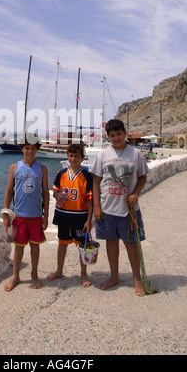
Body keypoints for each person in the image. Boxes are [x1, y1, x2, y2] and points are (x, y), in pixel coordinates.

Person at [92, 119, 149, 296]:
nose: (116, 138)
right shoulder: (103, 155)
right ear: (108, 137)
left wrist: (135, 194)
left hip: (128, 210)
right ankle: (114, 276)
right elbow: (96, 180)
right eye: (112, 135)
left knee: (131, 244)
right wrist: (96, 207)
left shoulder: (135, 154)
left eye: (118, 134)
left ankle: (136, 279)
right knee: (111, 242)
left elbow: (142, 177)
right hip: (107, 208)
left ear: (125, 133)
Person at [3, 132, 49, 291]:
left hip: (36, 216)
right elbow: (9, 191)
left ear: (37, 150)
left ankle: (34, 275)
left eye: (33, 148)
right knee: (19, 247)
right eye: (27, 148)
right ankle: (15, 276)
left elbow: (45, 194)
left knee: (35, 246)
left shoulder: (42, 168)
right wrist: (6, 213)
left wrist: (46, 216)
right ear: (22, 149)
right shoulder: (14, 167)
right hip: (19, 215)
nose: (30, 151)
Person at [47, 142, 93, 287]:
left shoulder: (87, 176)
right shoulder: (61, 174)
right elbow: (55, 191)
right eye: (71, 156)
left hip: (80, 216)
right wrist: (57, 195)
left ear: (82, 158)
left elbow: (90, 199)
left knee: (82, 245)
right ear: (67, 156)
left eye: (76, 156)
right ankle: (59, 270)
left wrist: (89, 219)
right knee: (62, 244)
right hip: (64, 215)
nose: (73, 159)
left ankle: (83, 274)